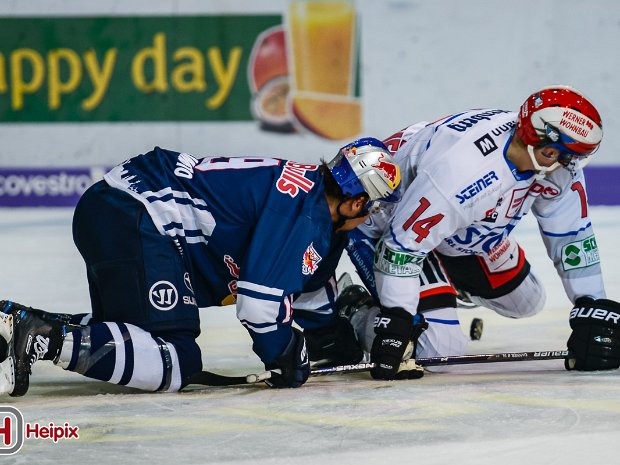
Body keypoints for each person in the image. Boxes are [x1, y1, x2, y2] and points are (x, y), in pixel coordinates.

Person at [0, 138, 402, 397]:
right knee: (175, 359)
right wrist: (285, 356)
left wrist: (338, 341)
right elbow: (259, 309)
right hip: (137, 215)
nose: (373, 219)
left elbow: (310, 292)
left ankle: (17, 324)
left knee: (133, 338)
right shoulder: (306, 216)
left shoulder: (312, 207)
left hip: (117, 208)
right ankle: (41, 338)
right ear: (355, 203)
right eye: (375, 208)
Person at [308, 85, 620, 380]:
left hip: (457, 228)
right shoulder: (464, 173)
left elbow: (572, 234)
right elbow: (402, 246)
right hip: (388, 225)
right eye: (563, 156)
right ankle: (356, 309)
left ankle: (443, 285)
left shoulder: (545, 159)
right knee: (440, 349)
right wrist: (396, 320)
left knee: (528, 301)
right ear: (544, 147)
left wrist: (592, 307)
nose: (569, 166)